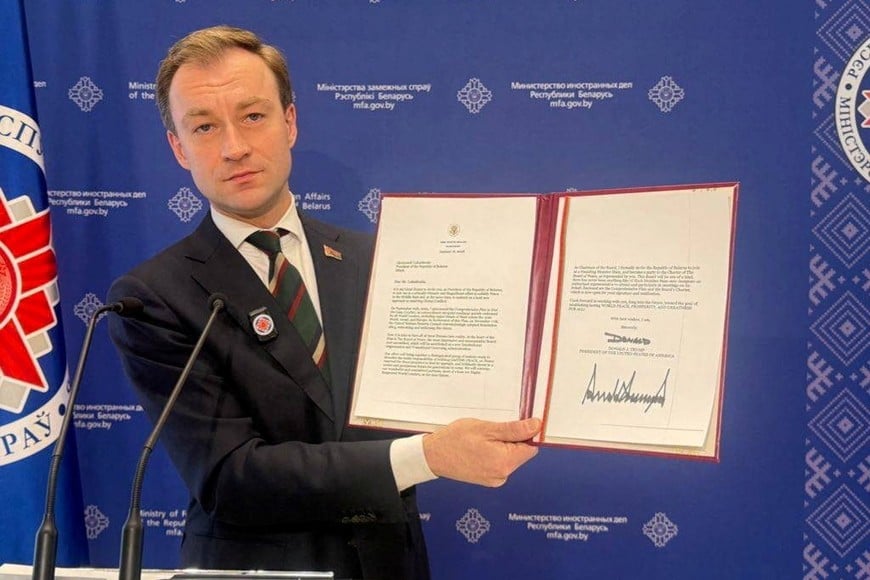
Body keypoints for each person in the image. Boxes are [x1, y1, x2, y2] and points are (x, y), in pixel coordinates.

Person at [107, 25, 541, 580]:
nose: (234, 146)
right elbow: (230, 477)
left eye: (253, 116)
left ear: (290, 122)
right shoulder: (152, 297)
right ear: (178, 148)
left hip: (390, 563)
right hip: (257, 569)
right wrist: (430, 456)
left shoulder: (382, 259)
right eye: (204, 126)